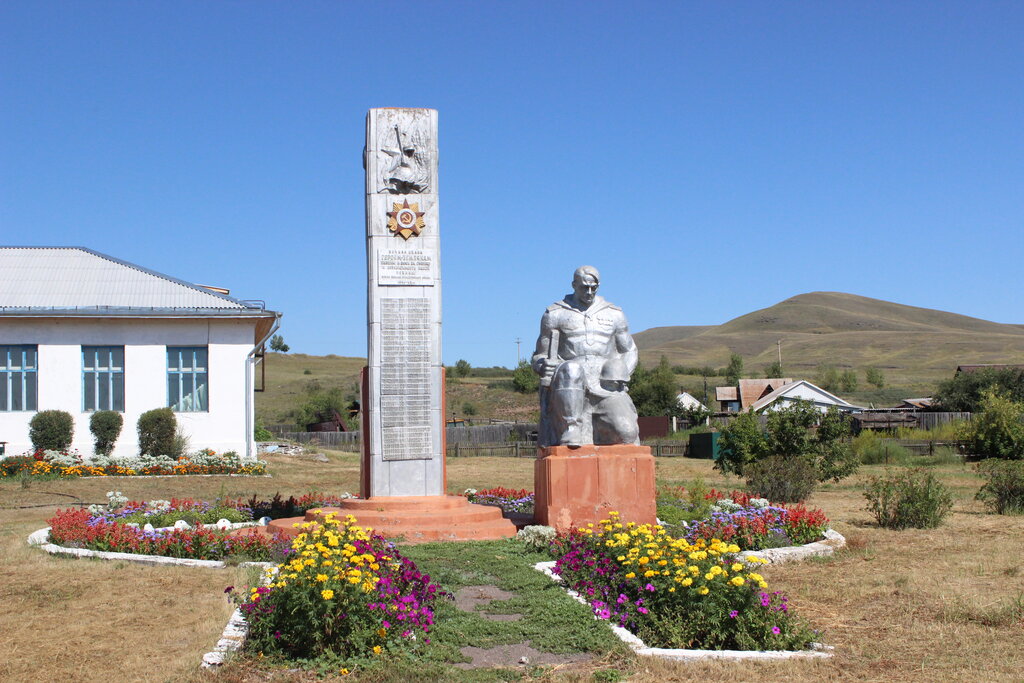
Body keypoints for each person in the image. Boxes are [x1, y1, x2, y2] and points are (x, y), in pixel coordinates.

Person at [531, 266, 640, 447]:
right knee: (572, 368)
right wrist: (542, 365)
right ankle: (571, 427)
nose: (589, 292)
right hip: (570, 383)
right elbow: (539, 356)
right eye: (584, 287)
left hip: (605, 384)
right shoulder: (555, 313)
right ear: (574, 285)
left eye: (593, 287)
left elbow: (629, 350)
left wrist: (621, 374)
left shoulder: (614, 313)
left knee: (626, 434)